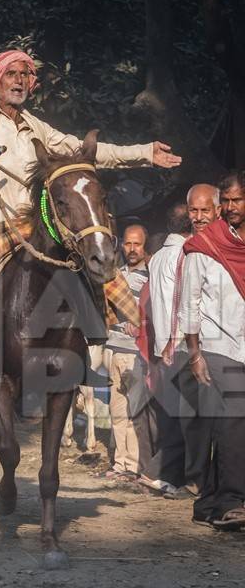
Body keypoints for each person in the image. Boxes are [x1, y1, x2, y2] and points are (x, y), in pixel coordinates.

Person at [0, 49, 182, 371]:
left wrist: (143, 152)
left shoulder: (39, 129)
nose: (18, 81)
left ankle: (99, 340)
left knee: (100, 266)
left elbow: (87, 151)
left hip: (36, 225)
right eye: (11, 74)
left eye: (24, 75)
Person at [179, 172, 245, 530]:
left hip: (244, 345)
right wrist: (195, 354)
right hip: (216, 346)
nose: (232, 208)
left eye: (238, 201)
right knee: (236, 419)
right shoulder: (202, 247)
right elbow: (188, 305)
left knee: (223, 426)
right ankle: (233, 502)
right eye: (229, 201)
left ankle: (207, 503)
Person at [139, 204, 192, 493]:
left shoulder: (158, 256)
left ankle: (165, 474)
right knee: (185, 420)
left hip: (164, 345)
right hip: (181, 344)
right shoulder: (183, 256)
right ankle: (161, 473)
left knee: (171, 416)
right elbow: (179, 302)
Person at [104, 225, 152, 480]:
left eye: (137, 244)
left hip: (135, 354)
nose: (132, 249)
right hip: (113, 349)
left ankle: (133, 466)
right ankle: (119, 464)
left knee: (135, 411)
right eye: (128, 244)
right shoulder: (114, 275)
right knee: (117, 411)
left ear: (145, 246)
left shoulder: (151, 277)